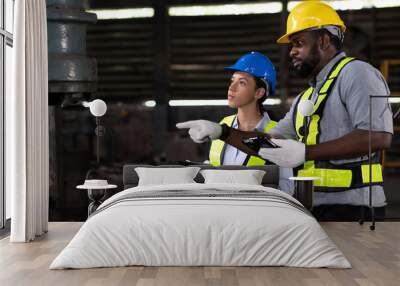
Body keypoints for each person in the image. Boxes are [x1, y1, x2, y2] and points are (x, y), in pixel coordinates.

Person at [177, 1, 393, 221]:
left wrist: (306, 152)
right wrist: (221, 132)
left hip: (355, 209)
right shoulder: (306, 97)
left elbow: (377, 137)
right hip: (313, 207)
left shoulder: (357, 73)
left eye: (299, 43)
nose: (292, 52)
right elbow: (266, 143)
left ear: (324, 41)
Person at [208, 51, 293, 194]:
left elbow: (287, 186)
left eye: (242, 82)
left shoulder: (278, 133)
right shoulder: (223, 125)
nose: (231, 88)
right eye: (232, 81)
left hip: (258, 210)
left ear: (259, 92)